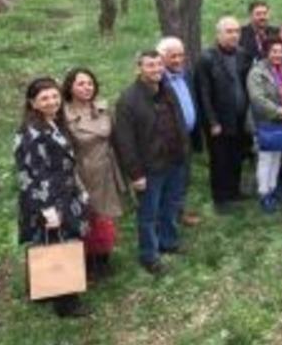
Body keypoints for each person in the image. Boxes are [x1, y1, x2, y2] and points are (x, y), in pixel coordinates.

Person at [15, 77, 90, 317]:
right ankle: (66, 303)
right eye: (44, 98)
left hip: (65, 193)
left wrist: (79, 189)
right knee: (57, 245)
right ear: (32, 103)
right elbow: (32, 175)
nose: (52, 101)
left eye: (55, 96)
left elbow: (67, 162)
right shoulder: (31, 133)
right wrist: (48, 210)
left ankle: (43, 289)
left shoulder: (54, 122)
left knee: (51, 243)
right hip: (47, 200)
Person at [114, 51, 189, 275]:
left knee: (171, 205)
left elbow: (180, 122)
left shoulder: (167, 90)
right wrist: (135, 174)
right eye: (150, 65)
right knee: (148, 214)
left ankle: (168, 241)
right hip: (150, 168)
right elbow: (125, 142)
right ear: (139, 68)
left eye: (158, 65)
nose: (156, 69)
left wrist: (184, 151)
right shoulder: (128, 100)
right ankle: (149, 255)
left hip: (174, 161)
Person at [62, 68, 124, 279]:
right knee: (87, 217)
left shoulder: (103, 108)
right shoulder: (64, 115)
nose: (86, 87)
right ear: (70, 87)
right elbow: (65, 153)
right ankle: (87, 262)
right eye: (80, 83)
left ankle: (103, 258)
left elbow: (116, 139)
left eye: (90, 83)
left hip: (107, 170)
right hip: (83, 172)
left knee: (105, 218)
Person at [197, 16, 250, 210]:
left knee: (237, 155)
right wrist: (212, 122)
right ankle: (221, 197)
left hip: (240, 117)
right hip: (219, 119)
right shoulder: (207, 58)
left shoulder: (243, 55)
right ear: (218, 34)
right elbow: (203, 93)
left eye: (237, 31)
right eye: (229, 31)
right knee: (220, 159)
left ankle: (235, 191)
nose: (234, 35)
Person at [246, 38, 282, 213]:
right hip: (265, 120)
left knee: (277, 154)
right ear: (266, 53)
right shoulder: (257, 72)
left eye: (281, 51)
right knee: (265, 158)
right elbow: (257, 99)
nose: (278, 55)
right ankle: (264, 193)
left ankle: (272, 188)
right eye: (274, 51)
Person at [156, 37, 203, 227]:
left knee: (183, 178)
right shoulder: (157, 81)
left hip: (187, 138)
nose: (177, 60)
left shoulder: (185, 74)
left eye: (180, 55)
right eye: (172, 56)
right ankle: (165, 219)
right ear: (162, 57)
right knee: (168, 182)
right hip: (168, 143)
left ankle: (178, 212)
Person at [240, 0, 279, 69]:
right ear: (250, 16)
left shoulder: (276, 32)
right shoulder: (241, 34)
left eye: (265, 13)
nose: (262, 17)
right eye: (258, 14)